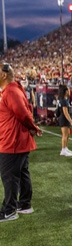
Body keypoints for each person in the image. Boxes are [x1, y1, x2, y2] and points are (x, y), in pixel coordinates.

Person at [0, 63, 42, 222]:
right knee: (21, 173)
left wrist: (33, 127)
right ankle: (24, 204)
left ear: (4, 75)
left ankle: (9, 210)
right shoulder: (14, 90)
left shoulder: (10, 91)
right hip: (18, 140)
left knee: (9, 176)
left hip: (12, 141)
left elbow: (23, 113)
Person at [57, 84, 72, 157]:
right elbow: (65, 112)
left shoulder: (64, 99)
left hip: (64, 118)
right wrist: (71, 121)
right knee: (65, 135)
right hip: (63, 118)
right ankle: (63, 149)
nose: (69, 91)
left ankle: (65, 147)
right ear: (65, 91)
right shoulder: (63, 101)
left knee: (67, 134)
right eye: (68, 90)